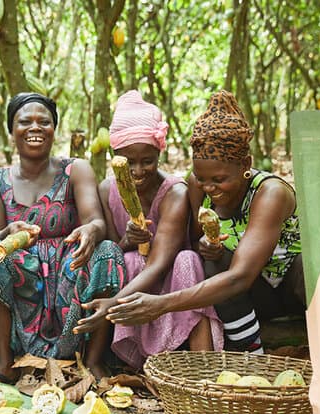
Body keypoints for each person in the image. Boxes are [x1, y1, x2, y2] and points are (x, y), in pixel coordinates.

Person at [107, 90, 305, 352]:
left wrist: (161, 303)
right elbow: (193, 245)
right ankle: (247, 352)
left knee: (306, 268)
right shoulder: (195, 184)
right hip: (249, 296)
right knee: (213, 261)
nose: (210, 188)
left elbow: (239, 277)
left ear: (246, 163)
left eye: (219, 179)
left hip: (289, 289)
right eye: (202, 178)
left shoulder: (271, 193)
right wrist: (208, 248)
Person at [0, 92, 125, 381]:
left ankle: (94, 361)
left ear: (54, 129)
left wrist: (90, 230)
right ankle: (4, 360)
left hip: (69, 272)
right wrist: (9, 231)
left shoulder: (75, 169)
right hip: (24, 278)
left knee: (109, 250)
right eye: (25, 122)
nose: (35, 127)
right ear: (12, 130)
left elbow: (96, 221)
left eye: (43, 122)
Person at [75, 90, 223, 369]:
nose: (139, 171)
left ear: (159, 153)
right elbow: (109, 253)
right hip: (131, 280)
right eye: (128, 162)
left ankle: (204, 365)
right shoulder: (107, 190)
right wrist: (126, 240)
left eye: (147, 161)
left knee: (187, 259)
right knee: (128, 259)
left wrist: (114, 304)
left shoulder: (174, 193)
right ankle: (138, 365)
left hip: (170, 282)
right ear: (115, 156)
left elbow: (161, 261)